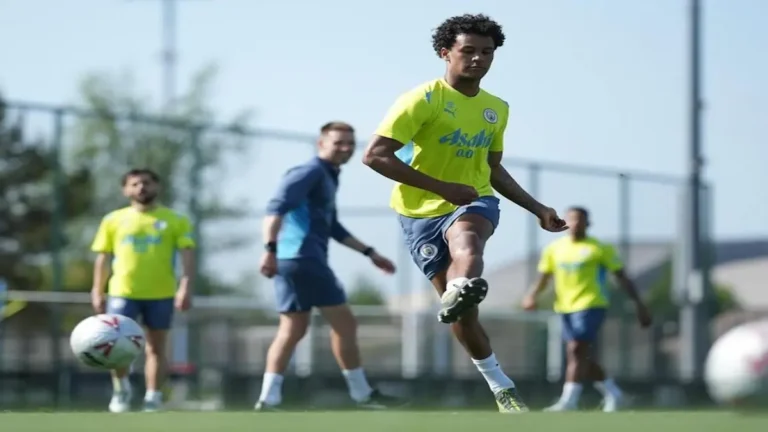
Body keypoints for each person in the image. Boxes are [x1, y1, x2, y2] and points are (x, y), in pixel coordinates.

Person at [361, 14, 567, 413]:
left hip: (474, 199)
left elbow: (492, 168)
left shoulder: (496, 109)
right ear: (445, 53)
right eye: (468, 51)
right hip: (418, 211)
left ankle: (461, 288)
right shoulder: (422, 100)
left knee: (468, 239)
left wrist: (538, 208)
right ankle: (500, 384)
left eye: (486, 53)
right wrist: (442, 188)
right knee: (464, 318)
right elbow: (374, 156)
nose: (478, 60)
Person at [256, 121, 403, 411]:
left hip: (296, 261)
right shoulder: (309, 172)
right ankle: (362, 395)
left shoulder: (329, 175)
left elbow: (332, 226)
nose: (346, 148)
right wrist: (269, 250)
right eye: (338, 142)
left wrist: (370, 253)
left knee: (293, 329)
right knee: (344, 323)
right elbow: (275, 209)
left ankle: (268, 399)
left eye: (350, 143)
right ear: (321, 144)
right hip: (302, 260)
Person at [522, 206, 652, 412]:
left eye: (580, 220)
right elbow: (544, 277)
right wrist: (531, 296)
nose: (575, 223)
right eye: (571, 219)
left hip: (592, 304)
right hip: (564, 308)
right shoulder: (554, 249)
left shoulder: (599, 248)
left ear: (588, 224)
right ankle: (615, 393)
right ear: (564, 222)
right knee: (581, 356)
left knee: (575, 350)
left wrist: (639, 304)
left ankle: (569, 401)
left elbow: (622, 277)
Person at [91, 168, 195, 413]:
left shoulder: (174, 219)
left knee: (156, 348)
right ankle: (121, 391)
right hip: (122, 293)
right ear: (126, 189)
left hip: (161, 294)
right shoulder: (113, 220)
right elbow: (103, 258)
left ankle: (153, 396)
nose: (141, 188)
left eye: (146, 183)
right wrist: (97, 289)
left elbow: (187, 254)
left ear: (156, 186)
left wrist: (185, 286)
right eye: (135, 184)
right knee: (116, 346)